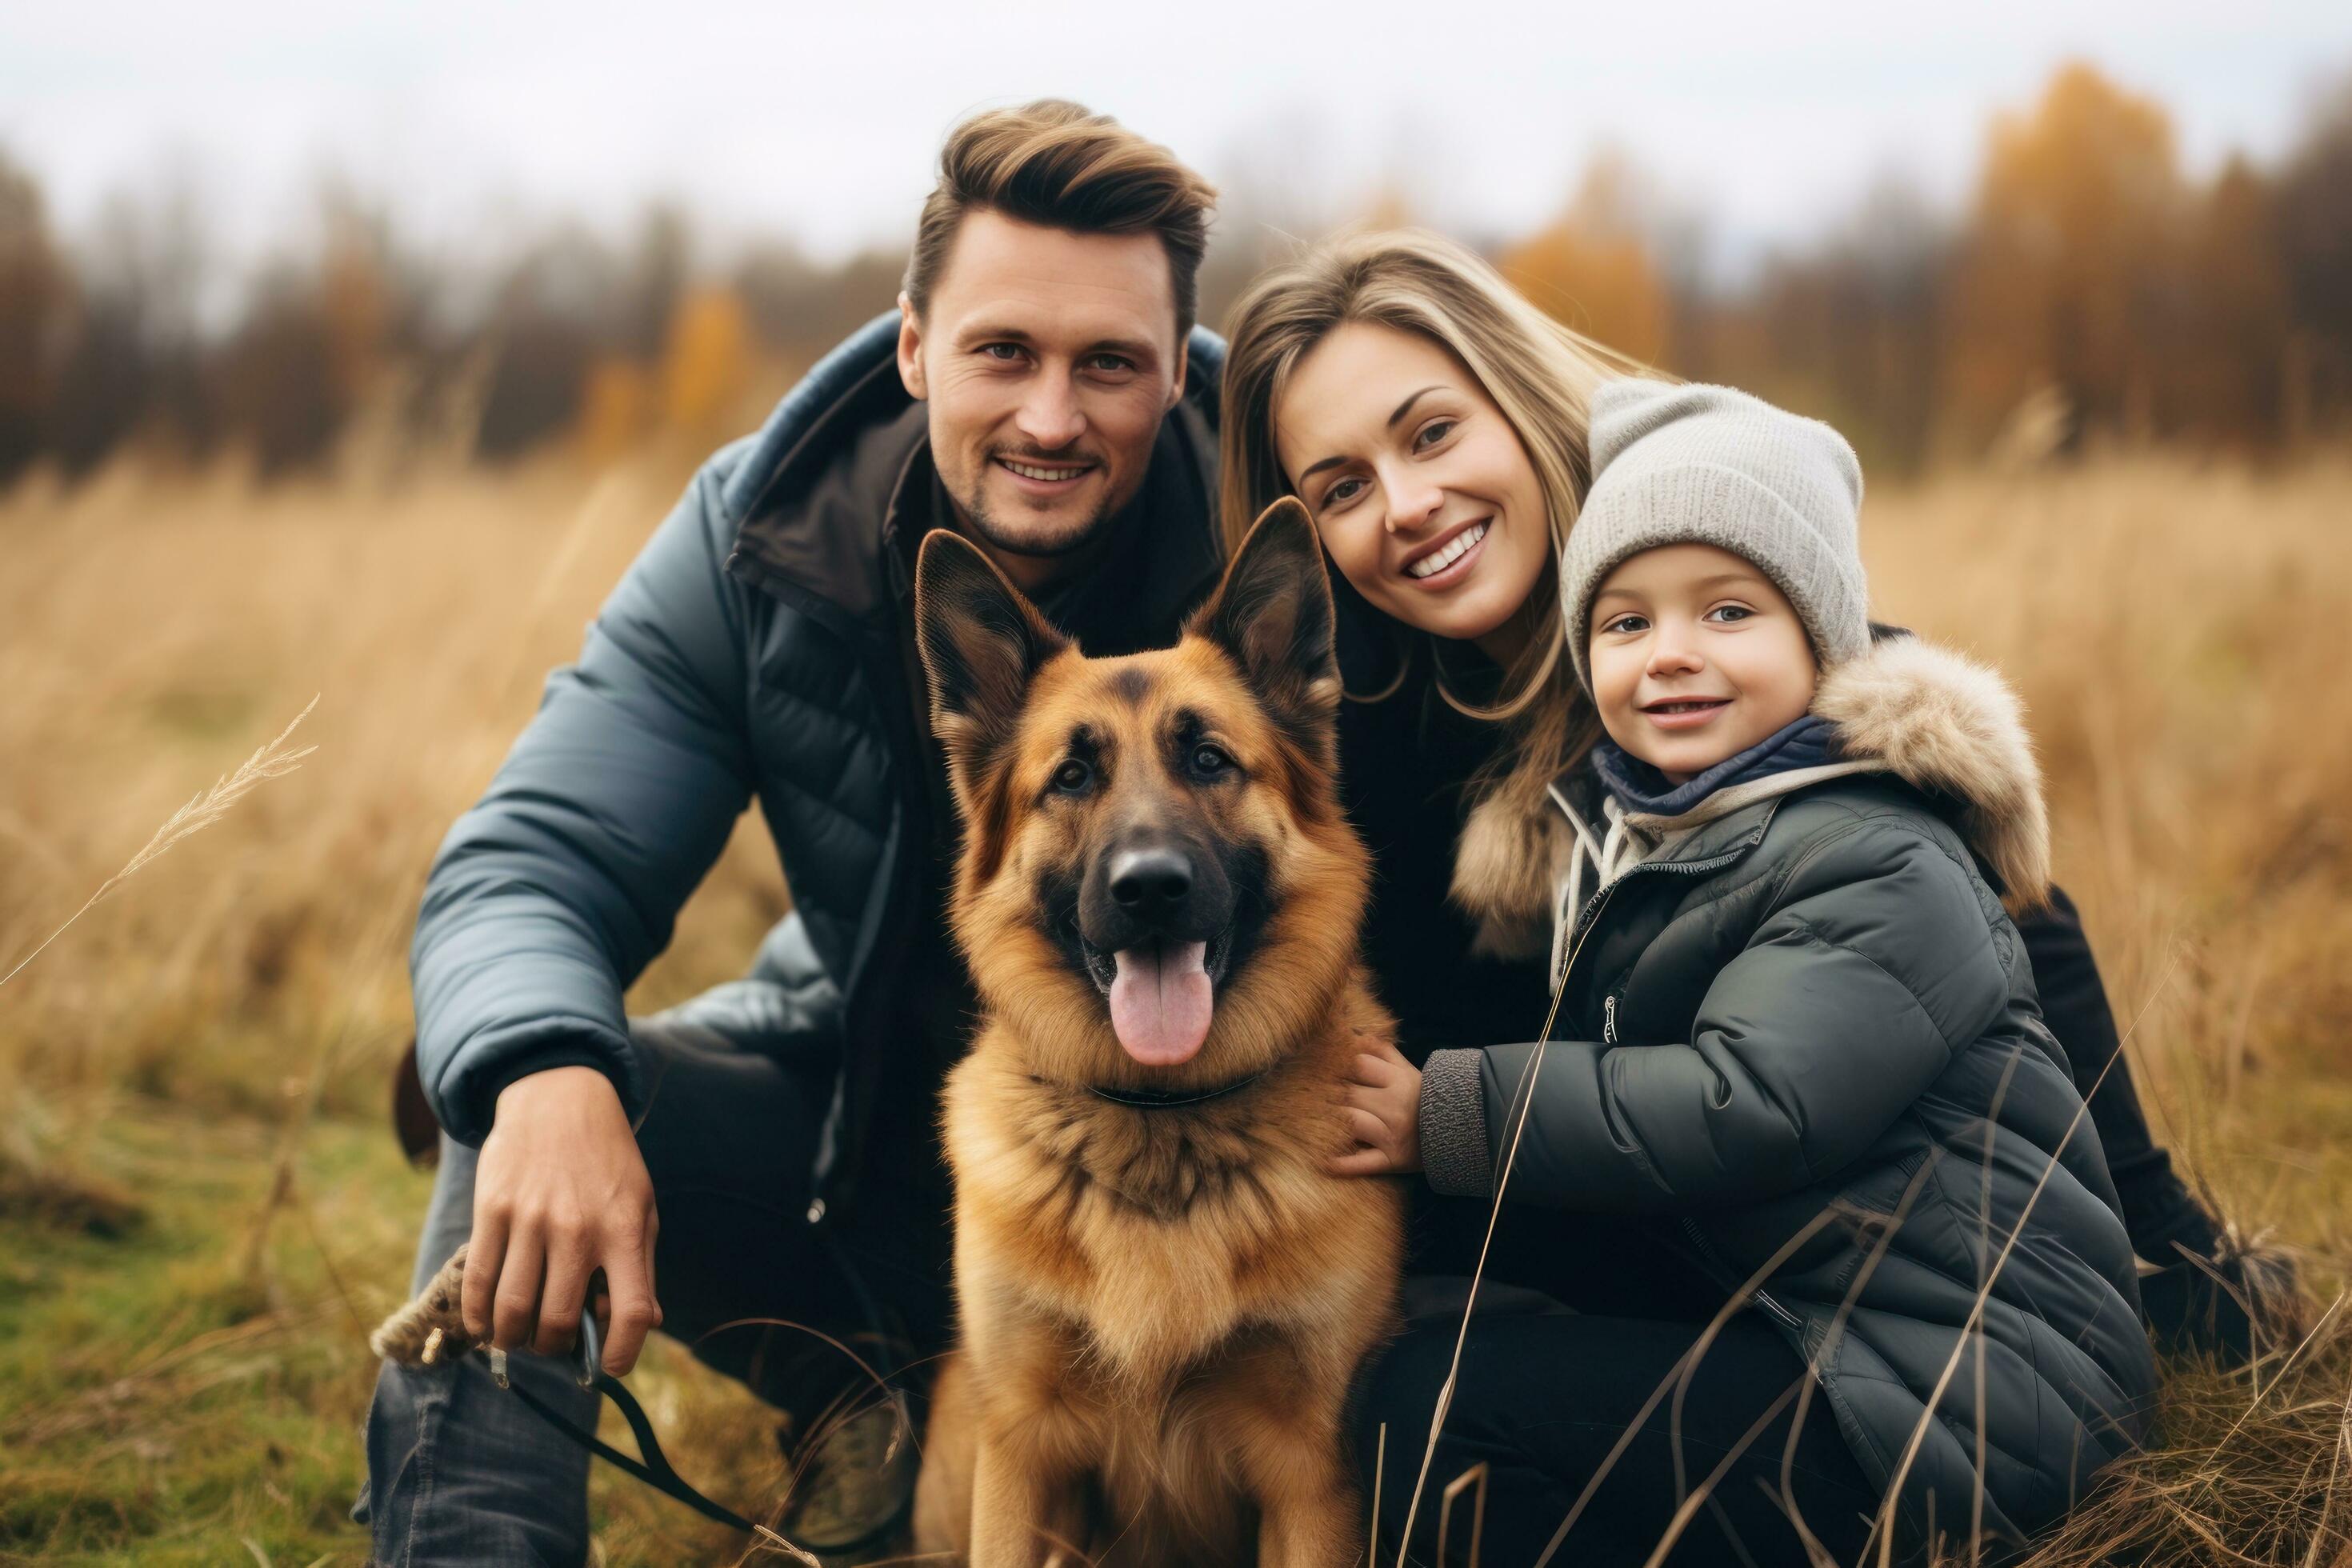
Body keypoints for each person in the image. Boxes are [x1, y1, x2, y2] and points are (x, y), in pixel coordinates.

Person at [1215, 232, 2252, 1564]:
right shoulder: (1354, 709)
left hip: (1848, 1313)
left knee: (1447, 1412)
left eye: (1431, 433)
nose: (1405, 504)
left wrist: (2175, 1250)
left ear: (1517, 407)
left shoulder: (1721, 600)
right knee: (1411, 1393)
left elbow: (1983, 932)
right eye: (1342, 483)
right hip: (1652, 1262)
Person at [359, 99, 1225, 1563]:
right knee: (532, 1085)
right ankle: (804, 1419)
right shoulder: (762, 537)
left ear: (1179, 375)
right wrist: (545, 1068)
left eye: (1110, 366)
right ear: (911, 344)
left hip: (1212, 1210)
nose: (1051, 417)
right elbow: (534, 861)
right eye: (1002, 351)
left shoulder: (1291, 516)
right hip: (865, 1156)